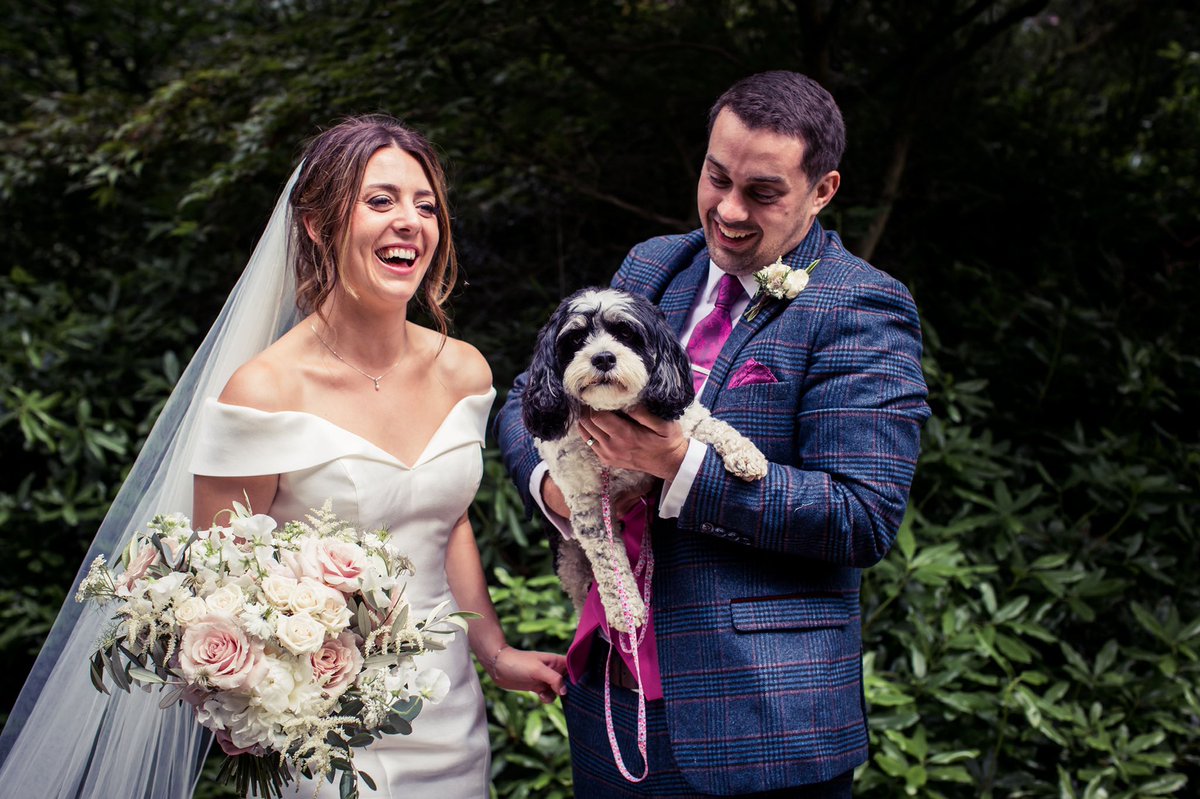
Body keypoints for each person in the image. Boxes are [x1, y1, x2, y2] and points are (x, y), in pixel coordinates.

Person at [0, 114, 566, 799]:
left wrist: (496, 650)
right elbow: (216, 588)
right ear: (320, 225)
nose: (410, 222)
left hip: (448, 713)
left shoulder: (465, 371)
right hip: (317, 733)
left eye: (425, 205)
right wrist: (258, 705)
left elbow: (448, 519)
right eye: (380, 200)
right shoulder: (264, 392)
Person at [496, 71, 930, 797]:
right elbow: (528, 392)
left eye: (761, 193)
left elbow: (862, 516)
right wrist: (555, 490)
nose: (727, 210)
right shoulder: (652, 265)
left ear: (823, 190)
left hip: (757, 724)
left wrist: (682, 464)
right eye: (716, 176)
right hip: (608, 691)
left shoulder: (862, 306)